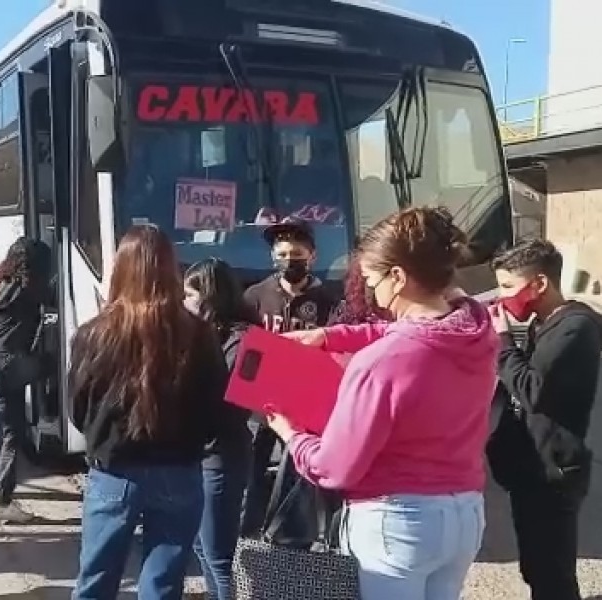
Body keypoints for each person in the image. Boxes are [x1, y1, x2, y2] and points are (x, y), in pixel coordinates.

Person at [266, 206, 499, 600]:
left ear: (398, 276)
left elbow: (334, 468)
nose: (370, 290)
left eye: (373, 279)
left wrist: (292, 434)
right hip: (464, 513)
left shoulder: (382, 362)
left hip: (397, 522)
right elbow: (414, 328)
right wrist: (330, 336)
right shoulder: (476, 330)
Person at [69, 225, 228, 600]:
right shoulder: (199, 333)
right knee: (162, 584)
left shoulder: (93, 334)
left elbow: (79, 408)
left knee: (95, 580)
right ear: (170, 269)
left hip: (113, 471)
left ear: (120, 270)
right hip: (179, 470)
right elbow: (215, 405)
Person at [486, 239, 602, 600]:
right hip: (529, 468)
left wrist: (503, 340)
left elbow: (533, 390)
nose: (503, 297)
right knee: (536, 567)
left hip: (552, 471)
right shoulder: (544, 324)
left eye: (509, 286)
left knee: (553, 575)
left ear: (539, 284)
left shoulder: (575, 329)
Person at [241, 216, 338, 536]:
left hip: (304, 403)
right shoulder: (255, 296)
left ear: (312, 257)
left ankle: (299, 535)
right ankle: (248, 532)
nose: (288, 262)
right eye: (281, 256)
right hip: (261, 403)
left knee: (301, 469)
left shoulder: (328, 301)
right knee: (251, 471)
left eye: (296, 256)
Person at [183, 258, 257, 600]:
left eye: (190, 295)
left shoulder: (241, 341)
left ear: (210, 297)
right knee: (201, 548)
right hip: (202, 453)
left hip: (221, 457)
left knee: (219, 556)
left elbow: (229, 406)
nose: (184, 303)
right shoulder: (207, 334)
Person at [0, 237, 53, 523]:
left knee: (12, 432)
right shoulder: (30, 290)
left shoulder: (3, 285)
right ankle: (3, 501)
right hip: (14, 367)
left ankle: (4, 498)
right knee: (60, 365)